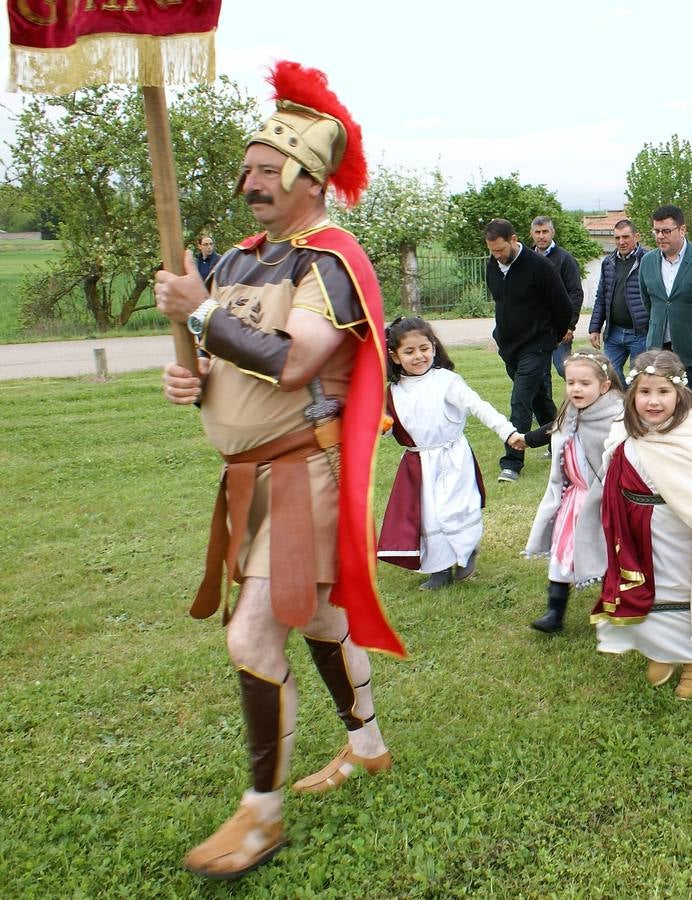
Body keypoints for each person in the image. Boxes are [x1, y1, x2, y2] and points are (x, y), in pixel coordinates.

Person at [154, 61, 403, 879]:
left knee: (254, 631)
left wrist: (197, 313)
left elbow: (294, 365)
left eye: (267, 170)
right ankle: (367, 748)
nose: (248, 182)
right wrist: (192, 380)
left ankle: (260, 817)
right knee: (322, 619)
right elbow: (231, 370)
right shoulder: (236, 259)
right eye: (248, 168)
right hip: (247, 480)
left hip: (305, 475)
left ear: (308, 177)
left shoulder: (327, 261)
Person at [592, 350, 692, 699]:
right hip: (634, 528)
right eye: (645, 392)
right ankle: (662, 650)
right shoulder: (623, 428)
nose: (653, 401)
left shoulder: (688, 434)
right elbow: (609, 470)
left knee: (679, 590)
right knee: (646, 588)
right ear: (633, 392)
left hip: (677, 529)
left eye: (663, 392)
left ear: (679, 393)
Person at [377, 316, 526, 589]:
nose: (419, 356)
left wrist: (508, 432)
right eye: (409, 352)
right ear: (395, 357)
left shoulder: (446, 381)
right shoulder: (393, 391)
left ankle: (467, 550)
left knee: (456, 509)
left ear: (433, 347)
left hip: (453, 458)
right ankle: (440, 568)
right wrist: (382, 426)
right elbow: (391, 427)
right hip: (419, 463)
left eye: (424, 348)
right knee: (430, 515)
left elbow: (478, 406)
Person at [523, 351, 625, 632]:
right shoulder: (570, 411)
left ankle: (612, 607)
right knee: (561, 551)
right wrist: (527, 440)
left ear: (604, 386)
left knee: (604, 554)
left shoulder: (616, 416)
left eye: (584, 383)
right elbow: (553, 429)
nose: (575, 389)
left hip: (603, 500)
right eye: (570, 382)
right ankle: (555, 612)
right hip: (573, 498)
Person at [484, 218, 573, 482]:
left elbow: (563, 306)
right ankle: (559, 440)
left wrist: (551, 337)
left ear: (513, 239)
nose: (497, 255)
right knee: (538, 399)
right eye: (492, 251)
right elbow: (502, 300)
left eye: (500, 249)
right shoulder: (494, 265)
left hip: (537, 345)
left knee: (520, 401)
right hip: (509, 346)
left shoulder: (540, 267)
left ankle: (511, 463)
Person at [638, 205, 692, 462]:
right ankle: (671, 449)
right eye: (656, 231)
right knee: (661, 399)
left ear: (682, 229)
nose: (661, 236)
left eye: (666, 230)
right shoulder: (647, 262)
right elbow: (649, 302)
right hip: (658, 348)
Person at [587, 218, 647, 388]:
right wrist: (594, 328)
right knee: (608, 372)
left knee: (639, 379)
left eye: (626, 237)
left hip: (640, 333)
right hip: (614, 332)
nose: (621, 242)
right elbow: (601, 296)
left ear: (636, 236)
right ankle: (625, 404)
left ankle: (633, 407)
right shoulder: (608, 262)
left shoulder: (648, 260)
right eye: (617, 238)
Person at [531, 216, 585, 377]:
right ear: (531, 234)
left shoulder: (565, 259)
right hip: (534, 328)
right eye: (537, 232)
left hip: (558, 327)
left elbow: (575, 293)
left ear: (552, 232)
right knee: (539, 373)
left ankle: (581, 397)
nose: (541, 236)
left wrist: (570, 326)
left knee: (565, 369)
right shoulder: (526, 258)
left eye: (545, 231)